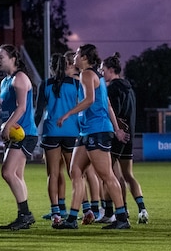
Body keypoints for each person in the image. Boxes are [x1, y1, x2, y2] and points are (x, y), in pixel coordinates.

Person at [53, 44, 131, 231]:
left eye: (78, 54)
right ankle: (72, 219)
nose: (74, 57)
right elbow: (109, 105)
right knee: (75, 171)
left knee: (106, 175)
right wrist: (117, 129)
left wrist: (67, 114)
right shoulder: (95, 76)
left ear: (85, 57)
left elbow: (89, 100)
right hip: (87, 131)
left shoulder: (87, 74)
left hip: (96, 131)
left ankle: (122, 218)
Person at [101, 52, 149, 225]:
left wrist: (115, 130)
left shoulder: (112, 89)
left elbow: (114, 112)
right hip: (129, 135)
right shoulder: (129, 88)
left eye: (103, 69)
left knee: (110, 175)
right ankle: (142, 209)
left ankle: (119, 210)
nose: (101, 72)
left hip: (118, 135)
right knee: (128, 174)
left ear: (112, 70)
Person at [0, 44, 39, 231]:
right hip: (15, 132)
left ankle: (26, 214)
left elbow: (21, 107)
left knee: (7, 172)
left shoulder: (20, 78)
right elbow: (7, 109)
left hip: (24, 133)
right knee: (17, 175)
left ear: (13, 58)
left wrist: (9, 125)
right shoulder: (6, 81)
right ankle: (23, 217)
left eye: (1, 57)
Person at [35, 51, 80, 224]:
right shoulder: (76, 85)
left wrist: (30, 132)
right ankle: (82, 208)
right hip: (71, 132)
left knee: (53, 174)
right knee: (74, 173)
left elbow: (39, 112)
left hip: (51, 131)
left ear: (51, 68)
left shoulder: (44, 84)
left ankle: (55, 213)